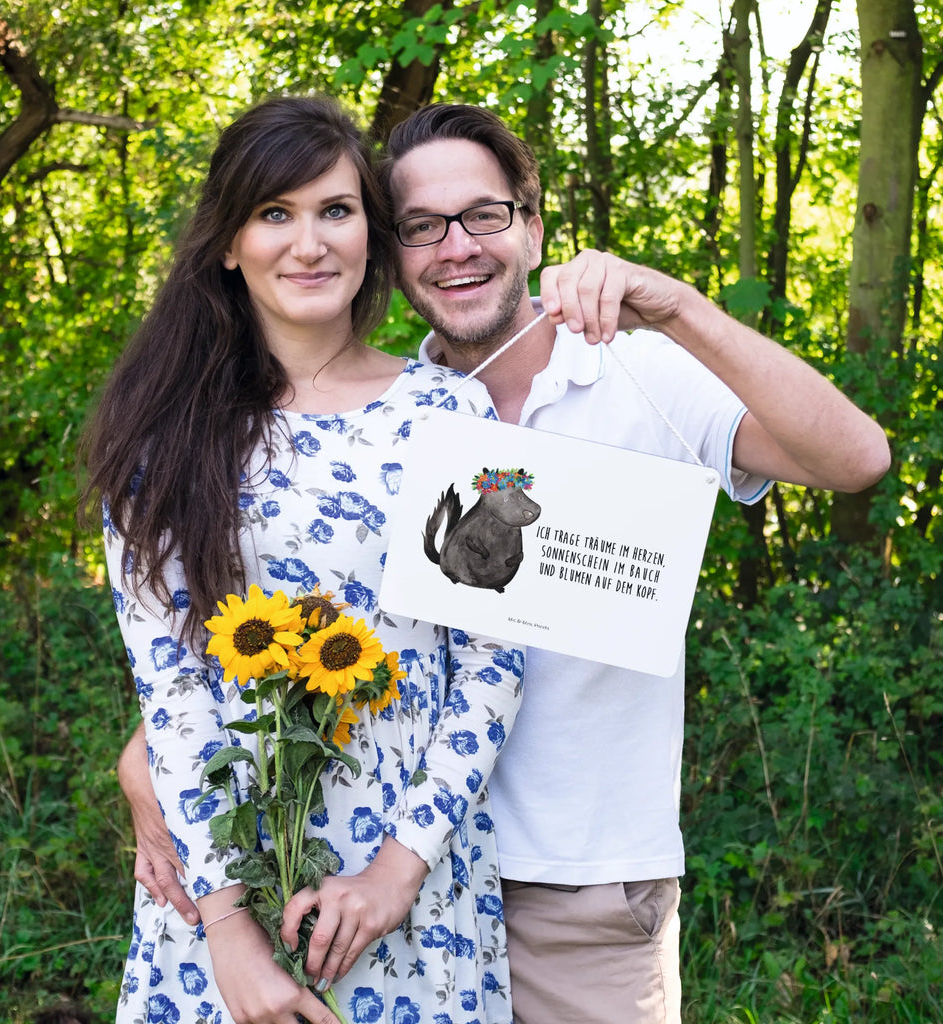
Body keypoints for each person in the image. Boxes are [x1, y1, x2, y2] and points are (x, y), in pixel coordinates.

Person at [120, 102, 891, 1024]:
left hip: (567, 888)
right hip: (335, 875)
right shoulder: (379, 416)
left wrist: (678, 306)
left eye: (483, 215)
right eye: (421, 227)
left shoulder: (628, 374)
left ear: (531, 225)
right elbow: (252, 633)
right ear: (394, 250)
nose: (456, 247)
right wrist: (153, 769)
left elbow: (856, 461)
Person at [83, 96, 530, 1024]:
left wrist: (398, 872)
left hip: (411, 886)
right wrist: (231, 937)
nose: (310, 243)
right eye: (274, 214)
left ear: (371, 230)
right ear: (227, 243)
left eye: (336, 210)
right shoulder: (161, 439)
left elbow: (494, 660)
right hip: (223, 883)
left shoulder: (453, 415)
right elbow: (171, 692)